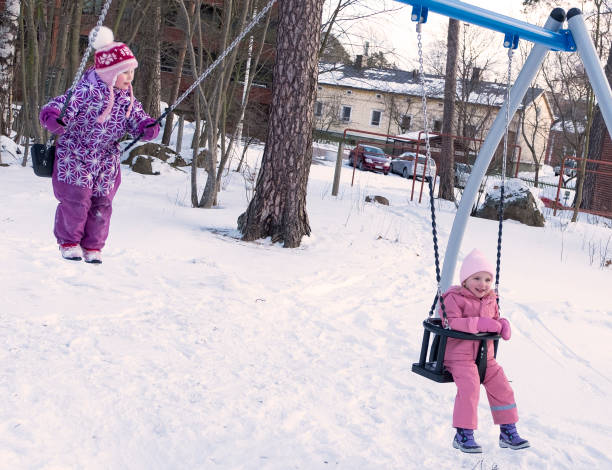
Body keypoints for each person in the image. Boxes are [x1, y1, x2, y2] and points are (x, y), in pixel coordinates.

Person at [39, 26, 159, 264]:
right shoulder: (85, 91)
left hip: (106, 159)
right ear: (109, 72)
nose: (130, 78)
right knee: (77, 198)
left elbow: (138, 120)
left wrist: (147, 127)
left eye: (131, 73)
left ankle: (93, 246)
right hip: (75, 154)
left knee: (102, 203)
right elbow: (59, 105)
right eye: (124, 73)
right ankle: (69, 242)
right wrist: (53, 117)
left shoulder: (128, 100)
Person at [440, 249, 529, 453]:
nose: (483, 284)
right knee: (470, 388)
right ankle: (463, 434)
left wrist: (503, 324)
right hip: (458, 357)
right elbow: (450, 322)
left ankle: (508, 431)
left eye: (488, 279)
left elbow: (495, 321)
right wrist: (478, 323)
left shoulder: (491, 299)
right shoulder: (453, 298)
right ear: (465, 280)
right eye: (477, 278)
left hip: (485, 358)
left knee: (503, 386)